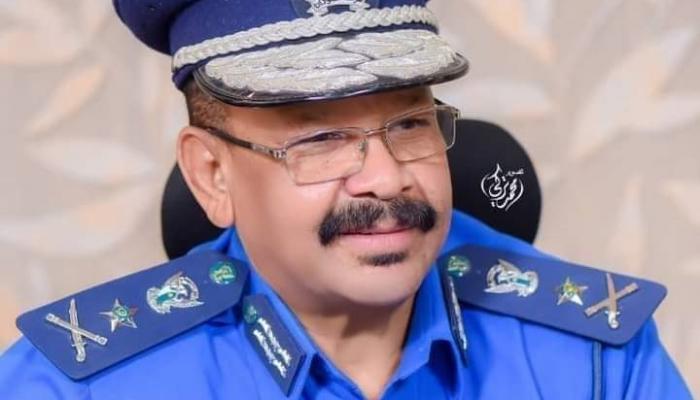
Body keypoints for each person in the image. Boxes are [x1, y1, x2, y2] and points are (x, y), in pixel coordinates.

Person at [0, 0, 692, 398]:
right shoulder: (74, 385)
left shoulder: (596, 357)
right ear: (211, 174)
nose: (385, 178)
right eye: (322, 138)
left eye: (410, 124)